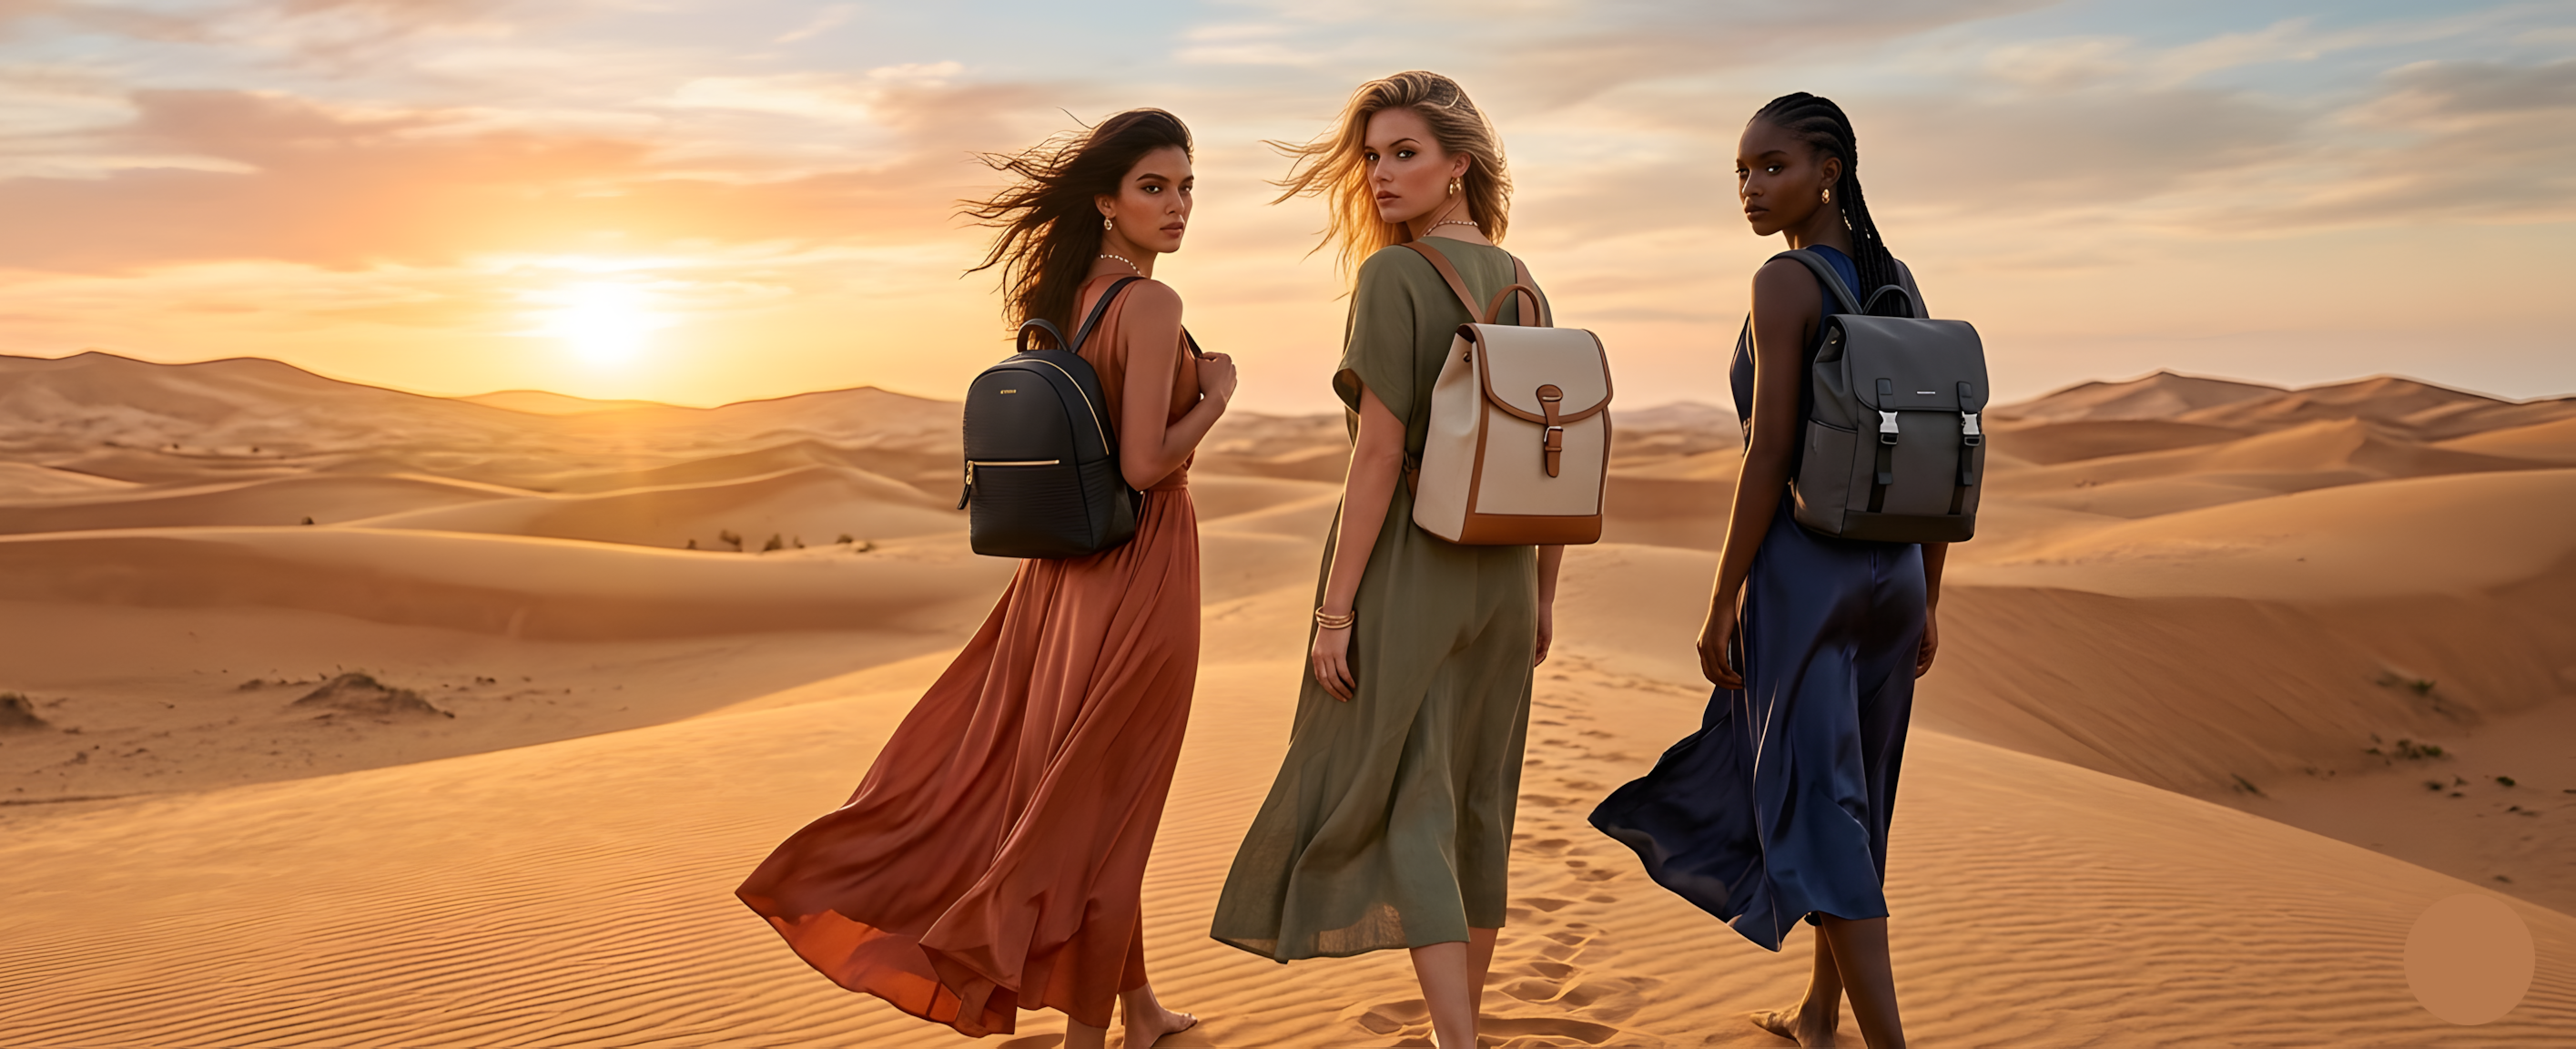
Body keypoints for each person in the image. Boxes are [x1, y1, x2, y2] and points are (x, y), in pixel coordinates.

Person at [735, 107, 1236, 1049]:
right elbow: (1142, 465)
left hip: (1061, 589)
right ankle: (1094, 1036)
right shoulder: (1151, 306)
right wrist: (1213, 399)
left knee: (1080, 792)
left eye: (1186, 187)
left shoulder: (1071, 297)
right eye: (1154, 188)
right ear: (1107, 200)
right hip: (1140, 572)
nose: (1177, 207)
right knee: (1111, 814)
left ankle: (1141, 1007)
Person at [1205, 71, 1561, 1049]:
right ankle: (1464, 1027)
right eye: (1369, 157)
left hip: (1413, 564)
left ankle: (1456, 1043)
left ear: (1460, 165)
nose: (1379, 174)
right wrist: (1538, 598)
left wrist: (1333, 612)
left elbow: (1375, 456)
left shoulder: (1393, 279)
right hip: (1501, 572)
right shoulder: (1523, 280)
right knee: (1476, 803)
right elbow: (1546, 459)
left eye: (1404, 153)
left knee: (1407, 794)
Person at [1584, 92, 1944, 1049]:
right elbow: (1934, 447)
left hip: (1807, 579)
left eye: (1771, 166)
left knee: (1822, 816)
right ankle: (1818, 1016)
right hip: (1895, 575)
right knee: (1859, 804)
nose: (1749, 188)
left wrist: (1721, 595)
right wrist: (1929, 598)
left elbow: (1767, 450)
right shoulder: (1897, 278)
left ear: (1829, 170)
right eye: (1740, 171)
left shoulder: (1784, 283)